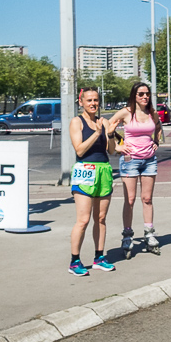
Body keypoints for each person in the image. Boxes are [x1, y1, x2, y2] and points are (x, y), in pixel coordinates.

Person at [68, 87, 118, 276]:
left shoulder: (103, 122)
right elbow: (79, 150)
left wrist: (110, 134)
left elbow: (111, 151)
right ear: (81, 102)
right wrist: (96, 134)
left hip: (103, 170)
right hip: (85, 171)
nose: (93, 104)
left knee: (101, 218)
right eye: (89, 100)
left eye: (95, 100)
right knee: (83, 219)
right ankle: (74, 261)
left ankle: (99, 257)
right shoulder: (76, 122)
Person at [109, 82, 163, 256]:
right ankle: (127, 234)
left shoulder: (152, 113)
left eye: (147, 94)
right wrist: (117, 145)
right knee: (130, 199)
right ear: (134, 96)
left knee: (147, 199)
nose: (145, 97)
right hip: (130, 160)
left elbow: (159, 127)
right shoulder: (126, 113)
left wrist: (156, 141)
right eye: (141, 94)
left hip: (149, 160)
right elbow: (107, 126)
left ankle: (149, 234)